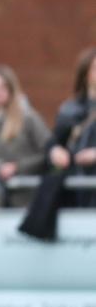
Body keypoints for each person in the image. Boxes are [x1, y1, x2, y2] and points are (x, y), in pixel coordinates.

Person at [0, 65, 50, 207]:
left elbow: (48, 151)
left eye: (3, 87)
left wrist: (18, 167)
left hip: (31, 199)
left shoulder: (28, 117)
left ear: (12, 89)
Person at [47, 47, 96, 207]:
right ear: (85, 74)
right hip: (75, 190)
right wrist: (56, 152)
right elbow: (54, 142)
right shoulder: (70, 109)